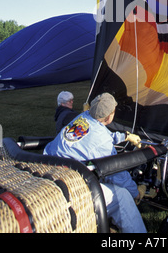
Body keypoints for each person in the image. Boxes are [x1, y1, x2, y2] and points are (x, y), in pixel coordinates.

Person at [44, 92, 147, 233]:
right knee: (122, 196)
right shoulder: (102, 143)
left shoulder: (83, 117)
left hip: (49, 169)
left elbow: (100, 133)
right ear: (110, 115)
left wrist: (125, 136)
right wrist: (135, 193)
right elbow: (116, 173)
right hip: (67, 186)